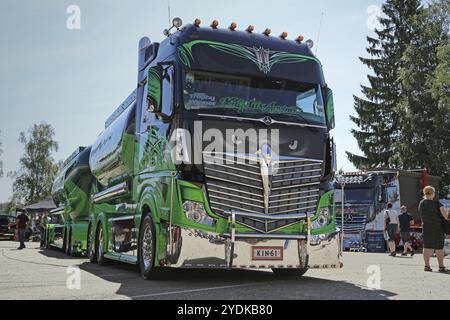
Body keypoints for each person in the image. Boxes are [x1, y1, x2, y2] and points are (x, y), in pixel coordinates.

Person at [418, 186, 449, 273]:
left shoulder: (421, 203)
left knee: (426, 247)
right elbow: (445, 216)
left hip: (426, 228)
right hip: (437, 228)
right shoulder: (437, 203)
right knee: (439, 248)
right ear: (433, 193)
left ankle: (427, 266)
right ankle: (441, 267)